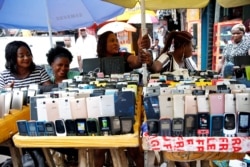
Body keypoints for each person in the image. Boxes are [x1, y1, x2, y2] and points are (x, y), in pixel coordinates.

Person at [94, 30, 152, 167]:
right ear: (103, 44)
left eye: (116, 40)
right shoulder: (95, 62)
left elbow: (137, 61)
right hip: (103, 108)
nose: (116, 43)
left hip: (125, 106)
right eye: (112, 40)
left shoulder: (124, 56)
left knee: (134, 148)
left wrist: (140, 48)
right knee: (98, 150)